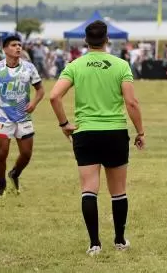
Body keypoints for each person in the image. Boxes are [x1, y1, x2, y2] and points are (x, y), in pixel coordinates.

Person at [48, 20, 145, 256]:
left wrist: (64, 124)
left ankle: (94, 244)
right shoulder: (121, 65)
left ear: (85, 40)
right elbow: (131, 102)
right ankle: (120, 240)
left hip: (86, 133)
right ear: (107, 39)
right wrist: (140, 131)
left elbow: (54, 97)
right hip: (114, 132)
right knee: (118, 190)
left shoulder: (75, 65)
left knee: (89, 189)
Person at [0, 34, 44, 198]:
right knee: (2, 153)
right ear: (5, 49)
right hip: (3, 117)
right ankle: (1, 185)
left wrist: (34, 103)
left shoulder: (29, 68)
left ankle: (14, 174)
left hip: (24, 116)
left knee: (26, 154)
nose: (18, 47)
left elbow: (40, 90)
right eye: (13, 45)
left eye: (19, 44)